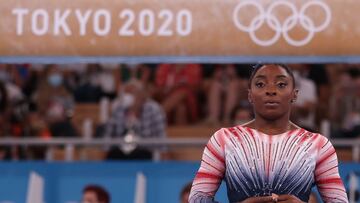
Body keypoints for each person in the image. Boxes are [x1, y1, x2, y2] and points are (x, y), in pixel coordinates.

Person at [189, 64, 348, 202]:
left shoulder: (318, 144)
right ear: (250, 94)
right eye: (260, 84)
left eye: (281, 84)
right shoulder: (224, 139)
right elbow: (197, 198)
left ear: (294, 94)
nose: (270, 90)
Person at [103, 79, 166, 160]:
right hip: (121, 152)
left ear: (140, 95)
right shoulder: (118, 108)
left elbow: (161, 138)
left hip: (145, 151)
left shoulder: (154, 109)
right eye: (126, 93)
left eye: (131, 93)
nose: (128, 96)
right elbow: (108, 137)